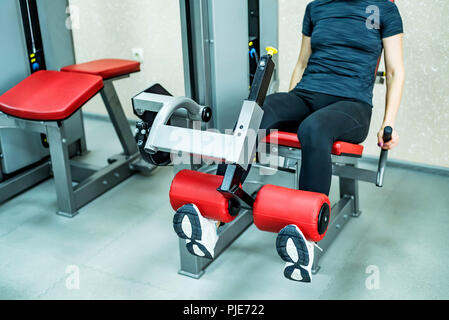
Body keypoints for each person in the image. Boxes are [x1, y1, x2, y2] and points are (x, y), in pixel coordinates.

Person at [173, 0, 405, 283]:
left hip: (352, 105)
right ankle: (213, 217)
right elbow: (302, 63)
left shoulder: (383, 9)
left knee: (314, 128)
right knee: (259, 109)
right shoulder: (317, 7)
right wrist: (289, 103)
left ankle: (306, 239)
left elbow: (394, 71)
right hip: (308, 93)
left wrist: (387, 123)